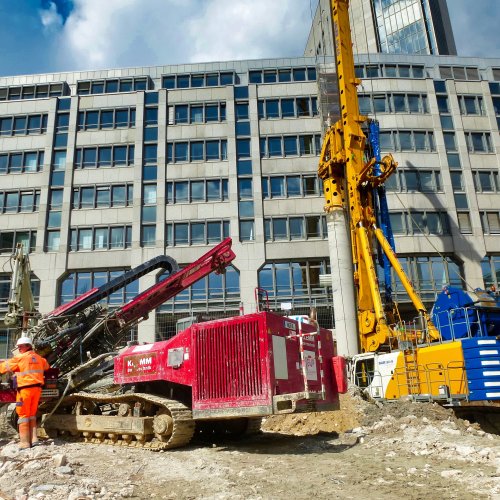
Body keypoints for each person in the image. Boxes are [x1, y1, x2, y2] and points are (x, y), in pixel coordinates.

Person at [0, 336, 50, 449]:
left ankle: (24, 442)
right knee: (32, 415)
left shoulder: (19, 358)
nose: (19, 349)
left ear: (27, 346)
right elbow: (47, 366)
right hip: (37, 390)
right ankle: (34, 440)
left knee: (23, 415)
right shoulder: (39, 358)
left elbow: (3, 368)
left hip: (25, 391)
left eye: (20, 346)